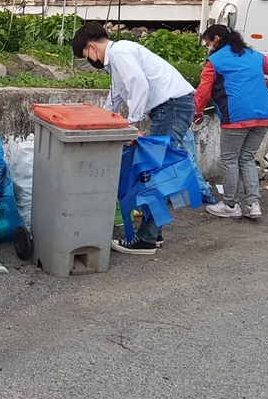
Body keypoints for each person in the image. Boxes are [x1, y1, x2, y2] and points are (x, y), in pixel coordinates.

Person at [71, 21, 214, 256]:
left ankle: (146, 238)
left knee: (155, 173)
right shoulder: (117, 58)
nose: (90, 60)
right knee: (153, 171)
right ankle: (153, 235)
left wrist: (132, 121)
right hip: (172, 108)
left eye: (86, 54)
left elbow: (139, 84)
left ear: (91, 47)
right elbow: (116, 95)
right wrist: (105, 118)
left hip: (172, 107)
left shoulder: (120, 52)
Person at [195, 25, 268, 220]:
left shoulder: (215, 61)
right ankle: (253, 205)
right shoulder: (255, 55)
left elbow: (203, 92)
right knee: (246, 158)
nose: (208, 47)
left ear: (217, 39)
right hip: (263, 115)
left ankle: (230, 204)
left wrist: (197, 112)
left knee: (229, 159)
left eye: (208, 43)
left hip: (236, 115)